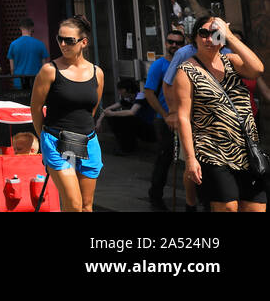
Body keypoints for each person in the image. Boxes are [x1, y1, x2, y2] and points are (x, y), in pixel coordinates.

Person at [174, 15, 266, 212]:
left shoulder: (232, 61)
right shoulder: (186, 71)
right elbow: (183, 117)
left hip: (246, 150)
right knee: (228, 209)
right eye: (203, 33)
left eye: (215, 34)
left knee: (256, 209)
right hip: (212, 151)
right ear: (195, 37)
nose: (209, 38)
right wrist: (190, 158)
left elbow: (258, 69)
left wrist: (230, 36)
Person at [30, 15, 104, 212]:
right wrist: (43, 137)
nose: (63, 44)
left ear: (83, 42)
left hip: (88, 142)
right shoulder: (49, 70)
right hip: (57, 142)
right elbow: (36, 108)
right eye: (59, 39)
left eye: (69, 40)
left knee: (87, 207)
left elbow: (91, 110)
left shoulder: (97, 72)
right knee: (73, 204)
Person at [144, 28, 191, 211]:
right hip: (166, 120)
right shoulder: (159, 65)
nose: (174, 46)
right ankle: (155, 196)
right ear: (166, 43)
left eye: (178, 43)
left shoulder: (189, 64)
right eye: (171, 42)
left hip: (187, 119)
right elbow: (149, 92)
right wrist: (165, 115)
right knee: (164, 159)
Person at [96, 78, 154, 154]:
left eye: (121, 89)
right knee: (114, 119)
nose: (119, 92)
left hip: (148, 127)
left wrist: (113, 114)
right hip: (138, 126)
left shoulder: (141, 96)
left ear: (128, 90)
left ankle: (127, 148)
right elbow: (108, 109)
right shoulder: (128, 99)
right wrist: (99, 121)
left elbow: (132, 112)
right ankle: (125, 146)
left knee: (124, 119)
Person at [6, 18, 49, 95]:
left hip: (19, 80)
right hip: (36, 80)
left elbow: (12, 68)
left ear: (20, 28)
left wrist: (14, 77)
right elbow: (44, 66)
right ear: (32, 28)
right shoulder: (40, 44)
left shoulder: (13, 44)